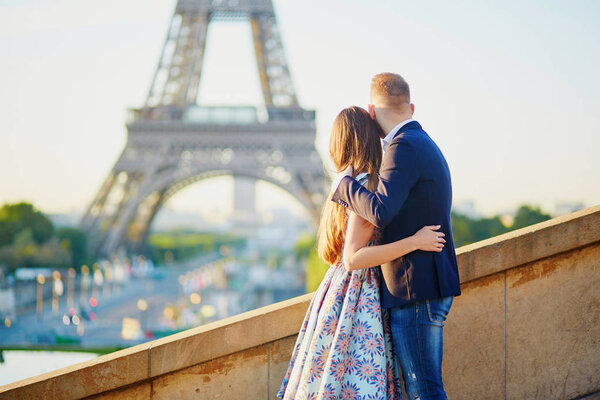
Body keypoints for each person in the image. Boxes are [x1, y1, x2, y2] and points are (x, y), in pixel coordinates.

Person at [277, 106, 446, 399]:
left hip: (336, 292)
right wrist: (415, 241)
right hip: (360, 293)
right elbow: (353, 258)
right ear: (368, 137)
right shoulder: (366, 185)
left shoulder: (345, 185)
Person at [331, 73, 461, 400]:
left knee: (423, 389)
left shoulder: (403, 147)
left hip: (415, 288)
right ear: (411, 106)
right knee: (424, 387)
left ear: (371, 111)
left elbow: (381, 212)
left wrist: (343, 186)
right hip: (423, 284)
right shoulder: (421, 141)